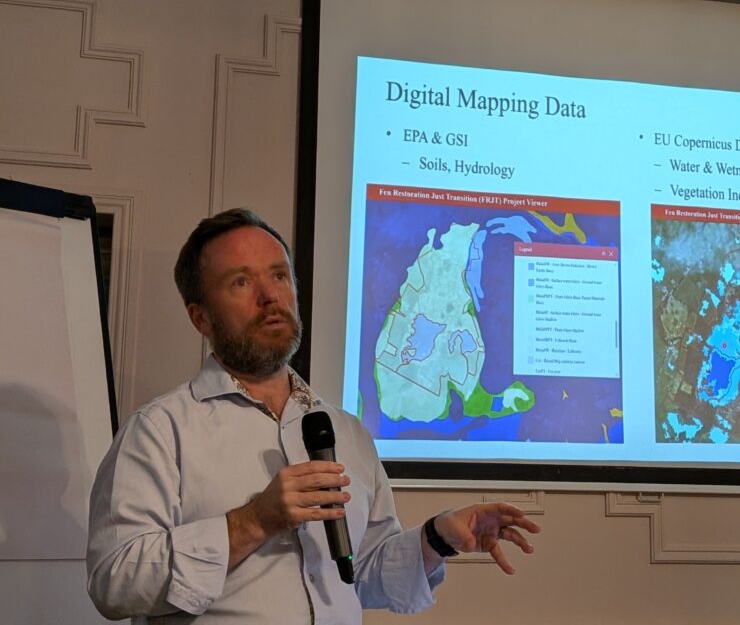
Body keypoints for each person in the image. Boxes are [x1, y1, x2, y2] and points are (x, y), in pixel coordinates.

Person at [87, 208, 540, 624]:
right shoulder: (159, 432)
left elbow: (361, 573)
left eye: (279, 275)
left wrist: (437, 537)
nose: (270, 296)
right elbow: (114, 582)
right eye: (241, 282)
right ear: (200, 317)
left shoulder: (347, 432)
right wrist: (252, 522)